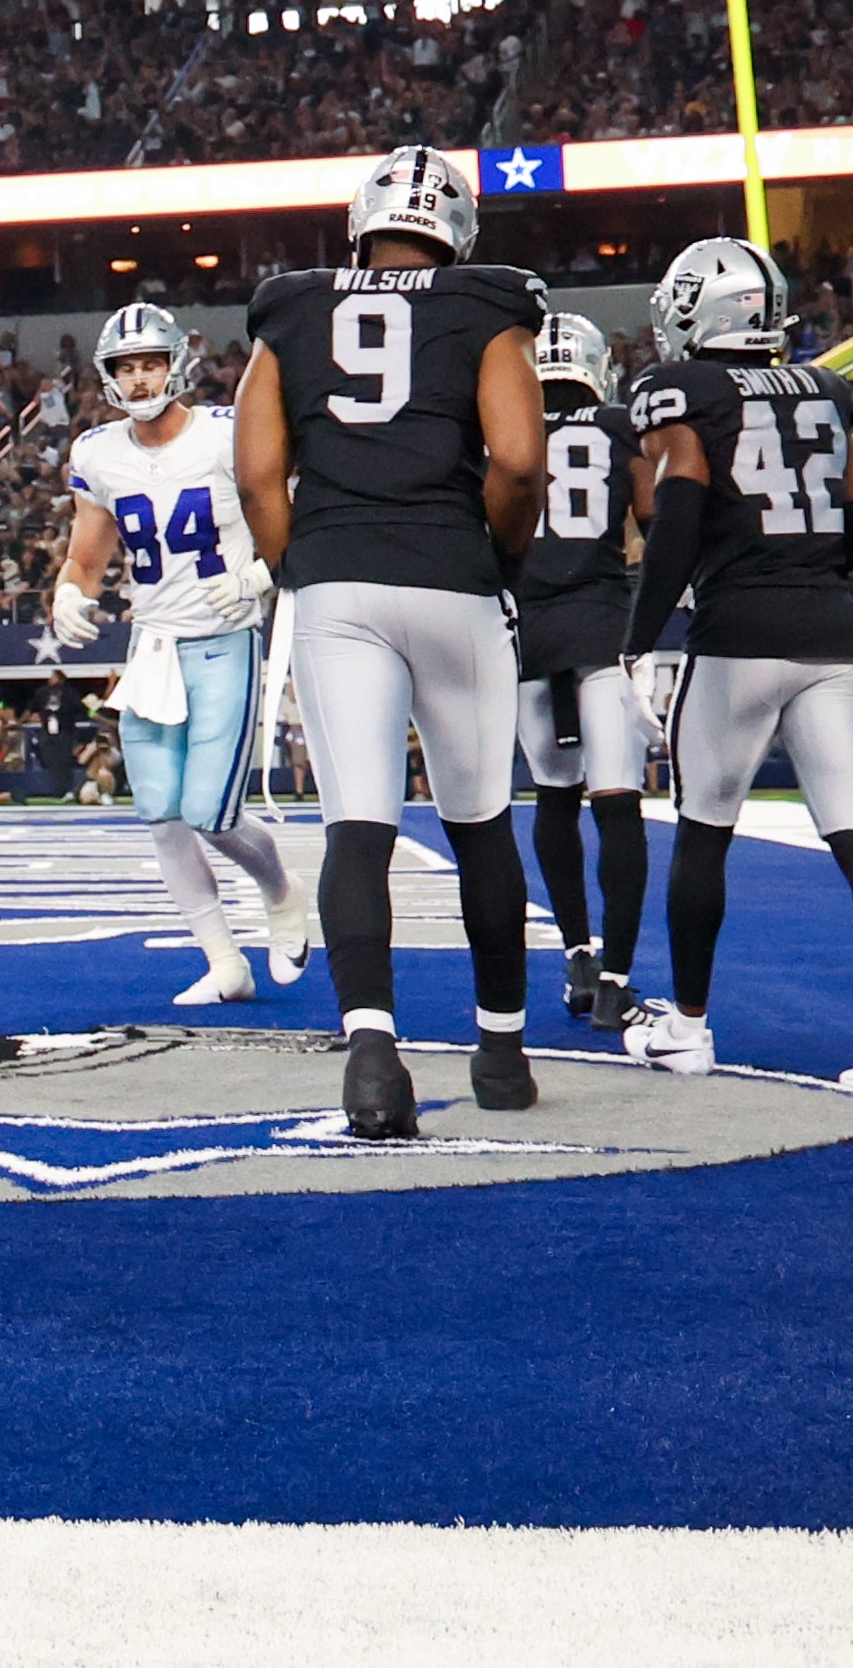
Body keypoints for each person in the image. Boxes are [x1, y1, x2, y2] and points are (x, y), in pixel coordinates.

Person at [233, 143, 551, 1140]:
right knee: (480, 821)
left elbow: (255, 474)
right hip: (453, 575)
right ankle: (500, 1052)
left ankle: (372, 1052)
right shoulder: (487, 303)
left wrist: (298, 565)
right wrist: (497, 555)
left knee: (358, 828)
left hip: (339, 579)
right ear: (458, 232)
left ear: (360, 222)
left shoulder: (292, 305)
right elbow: (520, 459)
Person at [614, 235, 853, 1100]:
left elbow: (681, 496)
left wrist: (641, 631)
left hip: (737, 633)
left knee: (704, 830)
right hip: (831, 635)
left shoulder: (676, 390)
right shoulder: (828, 391)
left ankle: (685, 1026)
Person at [49, 301, 308, 1006]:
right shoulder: (99, 452)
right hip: (154, 645)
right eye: (126, 368)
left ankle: (282, 893)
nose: (138, 380)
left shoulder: (228, 432)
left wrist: (260, 574)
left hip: (224, 636)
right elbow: (88, 553)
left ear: (177, 364)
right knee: (160, 810)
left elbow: (298, 507)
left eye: (150, 363)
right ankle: (224, 959)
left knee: (210, 811)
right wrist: (69, 592)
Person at [510, 310, 655, 1025]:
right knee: (618, 800)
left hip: (526, 632)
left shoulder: (503, 427)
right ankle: (618, 980)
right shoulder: (618, 426)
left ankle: (577, 953)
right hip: (600, 628)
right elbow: (656, 514)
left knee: (554, 795)